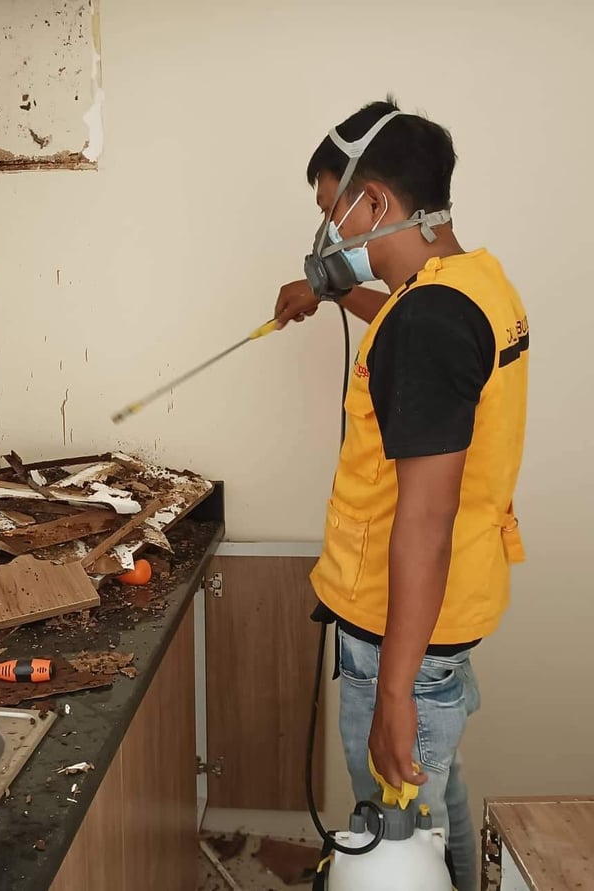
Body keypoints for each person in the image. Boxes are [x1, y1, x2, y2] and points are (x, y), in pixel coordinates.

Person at [275, 98, 528, 891]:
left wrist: (391, 694)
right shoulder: (473, 286)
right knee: (434, 801)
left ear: (375, 202)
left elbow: (425, 516)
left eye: (331, 210)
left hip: (400, 636)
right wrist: (332, 293)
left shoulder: (428, 323)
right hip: (445, 619)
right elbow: (416, 335)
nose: (328, 232)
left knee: (398, 831)